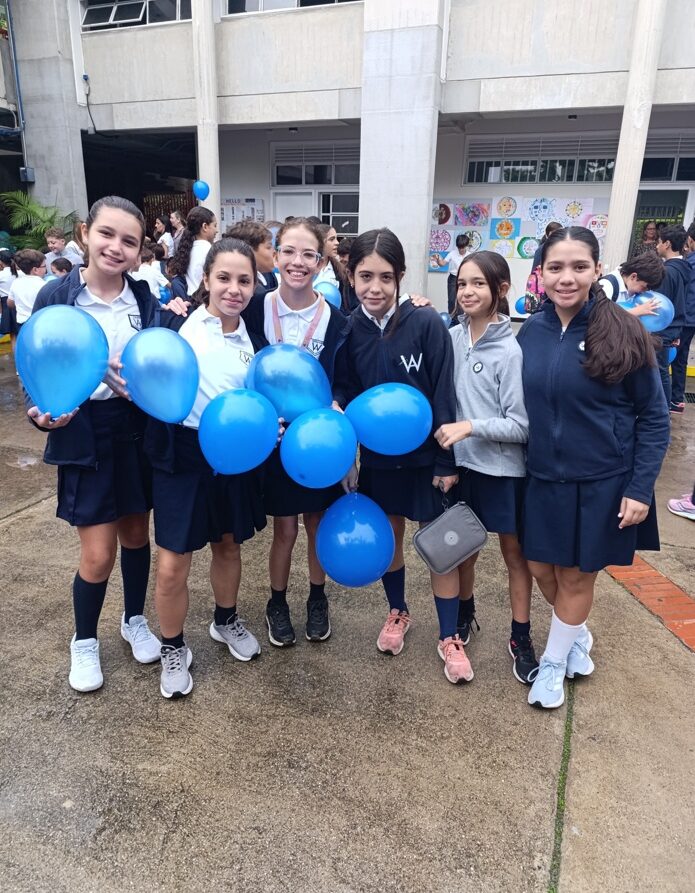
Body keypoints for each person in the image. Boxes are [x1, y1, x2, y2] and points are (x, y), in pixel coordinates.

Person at [517, 226, 670, 709]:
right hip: (542, 477)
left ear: (597, 270)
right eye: (556, 268)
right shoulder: (531, 331)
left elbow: (654, 417)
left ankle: (553, 664)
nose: (567, 278)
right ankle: (575, 632)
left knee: (577, 577)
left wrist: (640, 488)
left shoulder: (624, 330)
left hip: (602, 482)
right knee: (540, 569)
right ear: (541, 274)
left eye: (579, 266)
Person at [26, 196, 163, 694]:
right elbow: (36, 361)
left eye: (129, 241)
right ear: (85, 233)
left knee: (136, 535)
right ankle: (84, 639)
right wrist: (41, 411)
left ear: (140, 250)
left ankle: (133, 619)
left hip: (135, 431)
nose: (116, 247)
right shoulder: (57, 296)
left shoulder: (144, 299)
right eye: (107, 234)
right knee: (99, 552)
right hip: (84, 432)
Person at [334, 228, 469, 685]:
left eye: (386, 277)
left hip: (427, 461)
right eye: (365, 276)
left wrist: (447, 461)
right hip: (378, 461)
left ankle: (449, 635)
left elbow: (444, 391)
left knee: (440, 547)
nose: (375, 287)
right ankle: (398, 611)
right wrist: (347, 454)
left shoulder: (426, 322)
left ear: (401, 277)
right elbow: (346, 391)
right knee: (389, 540)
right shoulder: (348, 329)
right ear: (351, 276)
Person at [142, 239, 270, 698]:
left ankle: (225, 620)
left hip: (234, 455)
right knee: (172, 562)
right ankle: (173, 646)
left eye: (244, 281)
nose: (234, 289)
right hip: (182, 454)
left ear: (254, 286)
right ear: (206, 279)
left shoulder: (255, 337)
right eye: (224, 278)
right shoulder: (176, 323)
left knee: (229, 546)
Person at [241, 217, 350, 647]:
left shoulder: (336, 320)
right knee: (284, 529)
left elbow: (343, 379)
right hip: (272, 441)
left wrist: (337, 402)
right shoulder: (255, 307)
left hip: (317, 442)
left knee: (317, 523)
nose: (297, 262)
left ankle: (317, 599)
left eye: (308, 254)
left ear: (321, 262)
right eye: (288, 251)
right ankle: (277, 602)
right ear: (275, 254)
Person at [435, 251, 537, 684]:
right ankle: (464, 611)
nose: (468, 291)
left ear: (501, 289)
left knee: (515, 555)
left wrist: (471, 426)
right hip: (462, 469)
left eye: (478, 283)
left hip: (503, 472)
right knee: (462, 552)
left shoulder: (510, 351)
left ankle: (521, 635)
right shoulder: (450, 337)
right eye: (462, 283)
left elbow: (521, 426)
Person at [655, 225, 689, 407]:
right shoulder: (683, 268)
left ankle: (663, 409)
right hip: (674, 326)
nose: (657, 245)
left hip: (664, 328)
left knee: (660, 372)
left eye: (659, 242)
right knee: (662, 370)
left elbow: (661, 304)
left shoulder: (668, 271)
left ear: (667, 244)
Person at [669, 221, 695, 414]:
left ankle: (669, 400)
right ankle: (676, 399)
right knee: (681, 358)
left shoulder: (688, 264)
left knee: (668, 357)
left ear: (690, 240)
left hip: (684, 318)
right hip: (691, 320)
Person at [168, 207, 218, 296]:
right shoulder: (212, 251)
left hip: (191, 299)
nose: (216, 231)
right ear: (205, 227)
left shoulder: (188, 249)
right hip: (206, 299)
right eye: (215, 226)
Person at [598, 253, 664, 317]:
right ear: (633, 276)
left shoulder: (630, 288)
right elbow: (599, 316)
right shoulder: (607, 285)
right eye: (644, 287)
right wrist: (637, 311)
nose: (643, 292)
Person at [224, 220, 278, 298]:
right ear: (249, 251)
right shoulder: (254, 292)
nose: (274, 252)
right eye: (268, 247)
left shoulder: (267, 278)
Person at [7, 249, 47, 351]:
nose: (46, 269)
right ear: (35, 270)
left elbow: (10, 303)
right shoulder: (44, 285)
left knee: (28, 349)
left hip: (23, 325)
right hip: (40, 324)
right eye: (44, 266)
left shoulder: (16, 283)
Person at [434, 234, 471, 314]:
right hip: (453, 278)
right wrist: (438, 260)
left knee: (462, 299)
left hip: (465, 279)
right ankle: (451, 317)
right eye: (459, 248)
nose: (461, 250)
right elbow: (442, 263)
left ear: (466, 246)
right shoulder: (452, 253)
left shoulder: (470, 255)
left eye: (463, 247)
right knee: (451, 300)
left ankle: (460, 318)